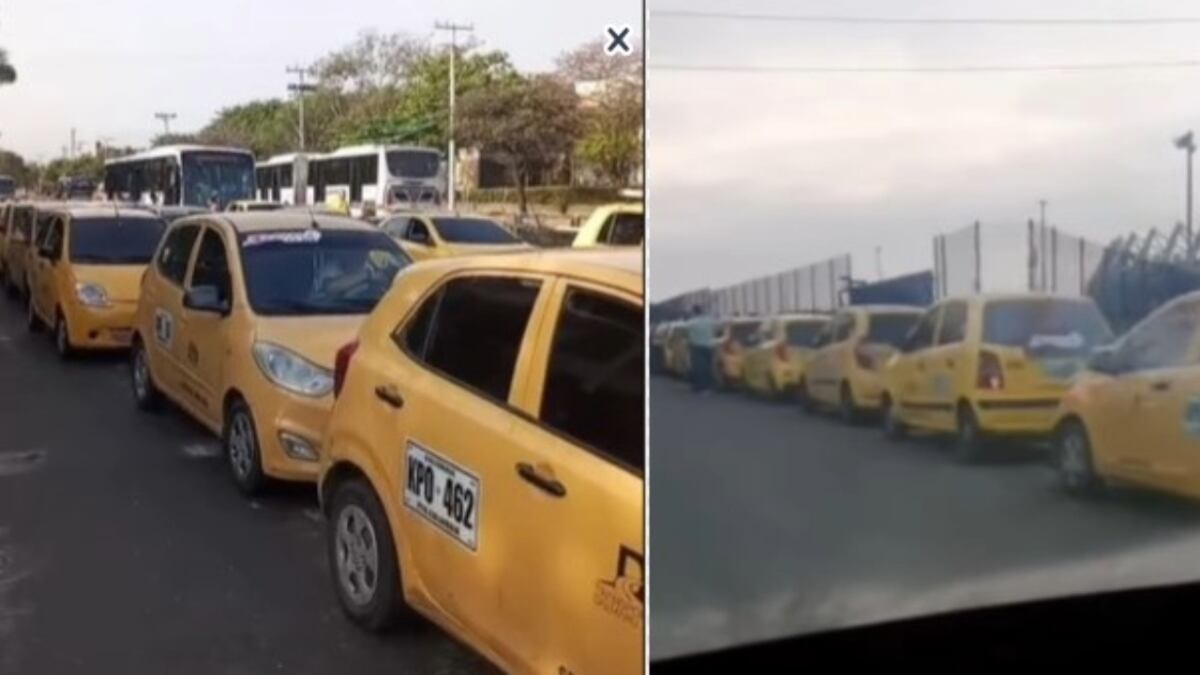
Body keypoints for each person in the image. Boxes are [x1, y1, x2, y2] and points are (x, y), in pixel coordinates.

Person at [687, 304, 717, 392]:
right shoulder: (710, 320)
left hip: (696, 347)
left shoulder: (692, 322)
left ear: (694, 312)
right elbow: (715, 330)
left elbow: (688, 335)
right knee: (708, 367)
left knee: (698, 368)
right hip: (709, 346)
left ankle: (699, 387)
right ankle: (708, 386)